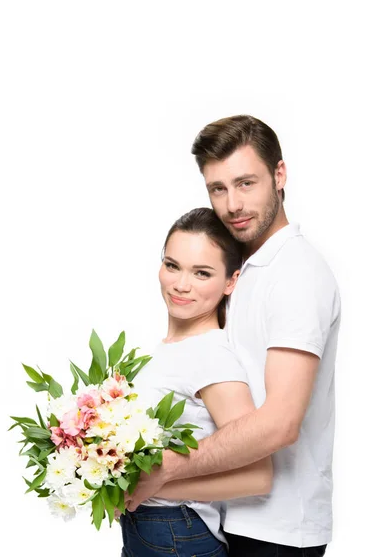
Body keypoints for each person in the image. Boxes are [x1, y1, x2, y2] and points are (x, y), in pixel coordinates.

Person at [126, 115, 341, 556]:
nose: (232, 205)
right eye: (217, 188)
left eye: (246, 183)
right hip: (230, 517)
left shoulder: (296, 275)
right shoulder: (247, 265)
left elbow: (280, 423)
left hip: (279, 530)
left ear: (279, 175)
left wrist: (167, 470)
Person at [120, 207, 273, 557]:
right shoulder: (170, 350)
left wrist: (157, 488)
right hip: (151, 530)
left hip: (177, 531)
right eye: (172, 265)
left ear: (231, 282)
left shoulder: (212, 355)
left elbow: (258, 477)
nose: (181, 284)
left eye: (202, 273)